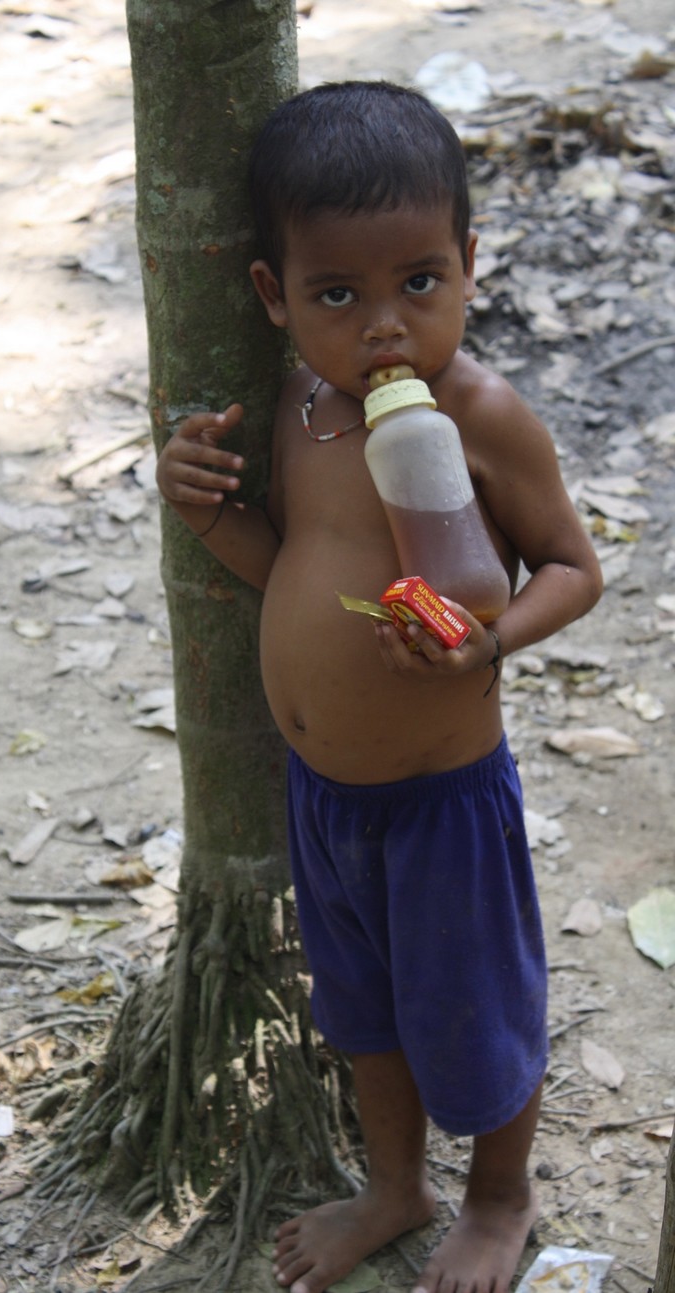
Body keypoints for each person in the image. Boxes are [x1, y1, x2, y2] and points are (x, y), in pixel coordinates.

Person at [155, 81, 603, 1293]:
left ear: (468, 261)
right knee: (362, 1012)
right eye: (335, 297)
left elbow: (570, 568)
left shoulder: (480, 415)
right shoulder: (299, 411)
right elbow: (290, 566)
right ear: (274, 298)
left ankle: (498, 1198)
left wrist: (487, 645)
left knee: (474, 1011)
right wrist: (208, 514)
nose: (383, 330)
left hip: (441, 801)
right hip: (323, 799)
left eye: (417, 282)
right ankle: (395, 1184)